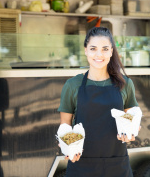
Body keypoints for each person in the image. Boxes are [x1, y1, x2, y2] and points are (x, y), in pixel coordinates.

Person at [58, 27, 139, 176]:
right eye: (93, 48)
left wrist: (131, 133)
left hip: (117, 165)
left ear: (111, 51)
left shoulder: (125, 84)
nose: (99, 54)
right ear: (86, 50)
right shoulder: (72, 85)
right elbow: (65, 125)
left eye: (105, 49)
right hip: (81, 165)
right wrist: (66, 145)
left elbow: (132, 119)